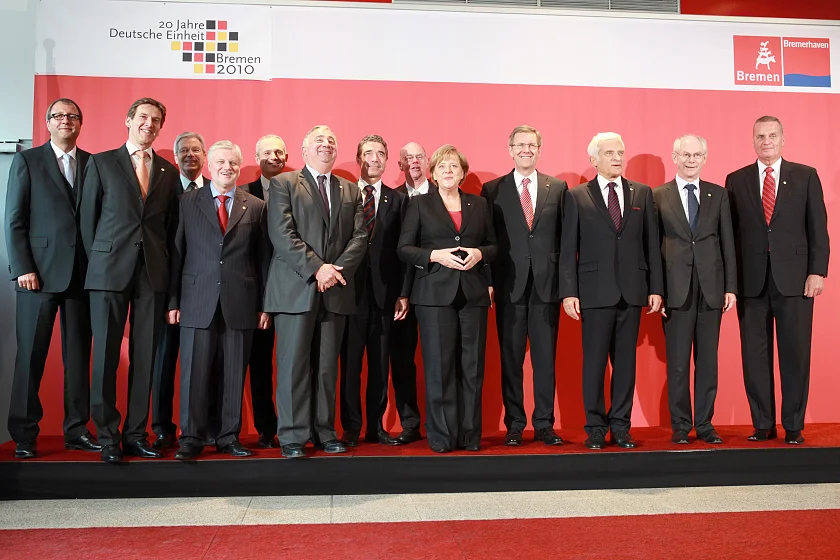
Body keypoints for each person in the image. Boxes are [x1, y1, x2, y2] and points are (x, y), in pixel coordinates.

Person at [80, 97, 180, 463]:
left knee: (145, 358)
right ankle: (107, 435)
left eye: (156, 120)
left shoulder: (168, 173)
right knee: (105, 355)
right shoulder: (101, 163)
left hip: (152, 274)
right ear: (128, 120)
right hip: (108, 271)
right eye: (143, 117)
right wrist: (101, 262)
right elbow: (87, 220)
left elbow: (170, 231)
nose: (149, 124)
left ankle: (137, 433)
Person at [4, 98, 101, 458]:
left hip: (82, 276)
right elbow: (14, 219)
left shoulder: (93, 163)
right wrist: (23, 267)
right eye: (58, 116)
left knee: (78, 358)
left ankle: (77, 430)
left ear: (80, 123)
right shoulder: (28, 160)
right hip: (38, 276)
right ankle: (24, 435)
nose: (65, 121)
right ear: (48, 123)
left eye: (72, 116)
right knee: (30, 357)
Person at [725, 116, 829, 445]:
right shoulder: (736, 180)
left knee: (795, 354)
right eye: (760, 136)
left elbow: (818, 228)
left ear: (783, 140)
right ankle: (762, 423)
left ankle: (794, 426)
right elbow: (730, 237)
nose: (766, 141)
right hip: (751, 282)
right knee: (754, 356)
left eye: (772, 135)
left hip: (796, 282)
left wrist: (817, 271)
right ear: (752, 141)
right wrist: (730, 281)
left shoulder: (806, 176)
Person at [265, 125, 367, 458]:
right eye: (319, 141)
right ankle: (293, 437)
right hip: (296, 289)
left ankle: (325, 431)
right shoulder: (283, 183)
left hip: (334, 290)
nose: (326, 145)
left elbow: (359, 238)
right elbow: (282, 234)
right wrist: (317, 268)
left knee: (326, 368)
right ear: (304, 149)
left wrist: (334, 271)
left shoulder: (351, 190)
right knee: (293, 365)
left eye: (332, 141)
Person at [167, 141, 271, 460]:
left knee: (233, 374)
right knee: (194, 373)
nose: (227, 167)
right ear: (210, 165)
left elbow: (264, 260)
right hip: (196, 300)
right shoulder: (186, 202)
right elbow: (176, 254)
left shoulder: (255, 206)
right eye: (221, 162)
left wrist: (264, 305)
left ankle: (228, 436)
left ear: (239, 167)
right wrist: (173, 301)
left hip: (241, 302)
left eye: (233, 162)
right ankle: (192, 437)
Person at [559, 132, 663, 450]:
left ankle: (620, 426)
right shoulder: (576, 196)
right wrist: (568, 292)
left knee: (625, 364)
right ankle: (594, 427)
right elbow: (567, 248)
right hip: (592, 291)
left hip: (632, 292)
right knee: (593, 363)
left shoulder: (642, 194)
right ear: (594, 159)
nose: (617, 157)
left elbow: (652, 246)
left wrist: (656, 287)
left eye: (620, 152)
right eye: (609, 153)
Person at [398, 144, 497, 453]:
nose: (449, 171)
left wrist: (480, 253)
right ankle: (441, 437)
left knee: (472, 367)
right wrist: (434, 255)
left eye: (454, 166)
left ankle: (470, 437)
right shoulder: (418, 205)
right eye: (442, 167)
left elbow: (494, 246)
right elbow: (404, 248)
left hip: (472, 293)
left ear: (463, 172)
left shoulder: (479, 205)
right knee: (439, 368)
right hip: (433, 295)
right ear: (434, 174)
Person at [481, 125, 567, 447]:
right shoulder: (493, 190)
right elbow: (487, 240)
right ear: (510, 149)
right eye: (520, 145)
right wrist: (488, 282)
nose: (526, 150)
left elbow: (565, 237)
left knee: (545, 359)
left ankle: (544, 423)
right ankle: (515, 424)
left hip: (547, 287)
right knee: (511, 359)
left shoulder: (558, 188)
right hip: (509, 286)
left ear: (539, 149)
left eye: (532, 145)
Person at [654, 134, 737, 445]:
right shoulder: (658, 195)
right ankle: (680, 426)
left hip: (712, 289)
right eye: (685, 154)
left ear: (705, 158)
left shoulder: (718, 195)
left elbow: (728, 242)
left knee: (707, 361)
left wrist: (731, 286)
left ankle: (704, 424)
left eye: (697, 154)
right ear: (675, 157)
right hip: (675, 291)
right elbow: (652, 248)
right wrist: (657, 290)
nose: (691, 160)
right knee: (677, 362)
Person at [339, 135, 411, 447]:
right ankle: (352, 427)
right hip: (348, 294)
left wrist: (403, 292)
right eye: (368, 153)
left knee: (381, 365)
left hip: (385, 295)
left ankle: (376, 427)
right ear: (359, 158)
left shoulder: (398, 200)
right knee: (350, 364)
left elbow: (405, 250)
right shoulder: (342, 195)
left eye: (381, 153)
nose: (375, 158)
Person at [151, 131, 210, 449]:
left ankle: (205, 426)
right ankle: (162, 426)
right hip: (166, 289)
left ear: (205, 156)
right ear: (175, 157)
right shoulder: (162, 188)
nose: (190, 155)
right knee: (164, 360)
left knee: (205, 362)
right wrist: (171, 296)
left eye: (196, 149)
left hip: (205, 292)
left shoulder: (218, 189)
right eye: (183, 150)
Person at [241, 134, 288, 448]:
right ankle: (267, 429)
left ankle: (295, 426)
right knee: (259, 364)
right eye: (268, 151)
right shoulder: (244, 195)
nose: (275, 156)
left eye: (280, 152)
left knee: (293, 363)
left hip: (290, 290)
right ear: (256, 157)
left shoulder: (297, 191)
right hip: (255, 293)